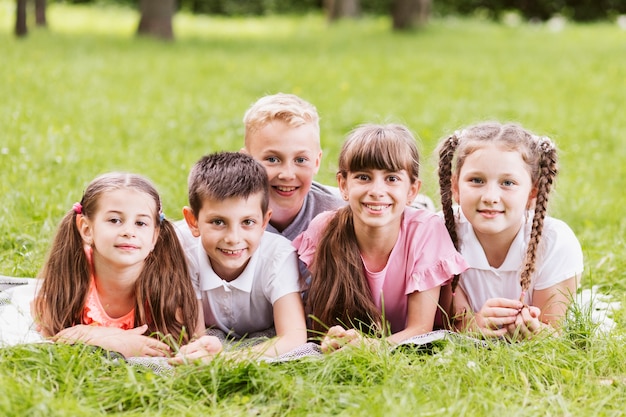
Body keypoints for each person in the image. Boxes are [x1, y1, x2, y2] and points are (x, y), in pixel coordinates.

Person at [293, 124, 468, 352]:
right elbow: (317, 321)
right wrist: (334, 339)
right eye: (364, 177)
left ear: (412, 190)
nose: (376, 190)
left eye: (392, 178)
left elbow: (421, 329)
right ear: (343, 185)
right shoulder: (324, 229)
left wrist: (370, 346)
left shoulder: (426, 231)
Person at [436, 122, 583, 340]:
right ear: (455, 187)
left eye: (508, 183)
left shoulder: (555, 241)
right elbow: (446, 323)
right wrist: (471, 326)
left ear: (532, 193)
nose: (490, 196)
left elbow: (553, 332)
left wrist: (537, 331)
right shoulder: (439, 232)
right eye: (476, 180)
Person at [33, 172, 202, 358]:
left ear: (154, 237)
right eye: (115, 220)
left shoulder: (165, 283)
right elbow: (50, 338)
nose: (129, 232)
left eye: (140, 223)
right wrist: (104, 338)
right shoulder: (71, 274)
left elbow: (185, 345)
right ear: (87, 229)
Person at [172, 152, 307, 362]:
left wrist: (230, 360)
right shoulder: (181, 247)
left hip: (258, 334)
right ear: (193, 221)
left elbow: (294, 336)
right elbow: (195, 338)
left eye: (247, 222)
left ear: (264, 222)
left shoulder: (278, 255)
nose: (233, 239)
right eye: (218, 222)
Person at [241, 92, 344, 242]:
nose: (287, 175)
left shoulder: (341, 215)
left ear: (316, 162)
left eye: (300, 160)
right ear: (246, 160)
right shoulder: (227, 212)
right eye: (272, 159)